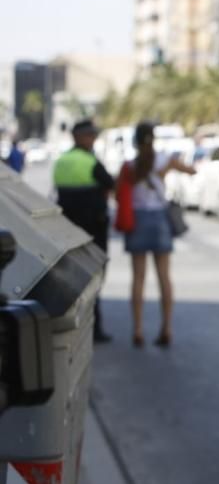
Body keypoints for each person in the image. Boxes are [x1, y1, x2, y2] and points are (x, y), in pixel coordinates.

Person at [120, 121, 195, 348]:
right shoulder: (164, 160)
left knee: (138, 278)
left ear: (135, 141)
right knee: (164, 277)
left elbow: (117, 191)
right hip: (160, 219)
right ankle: (166, 328)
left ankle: (138, 329)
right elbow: (192, 170)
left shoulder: (130, 165)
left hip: (138, 220)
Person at [53, 119, 115, 342]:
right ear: (79, 137)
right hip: (93, 232)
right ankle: (94, 329)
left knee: (72, 280)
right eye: (90, 135)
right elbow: (110, 183)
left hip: (69, 232)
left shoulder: (61, 161)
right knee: (95, 279)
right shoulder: (90, 162)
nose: (93, 139)